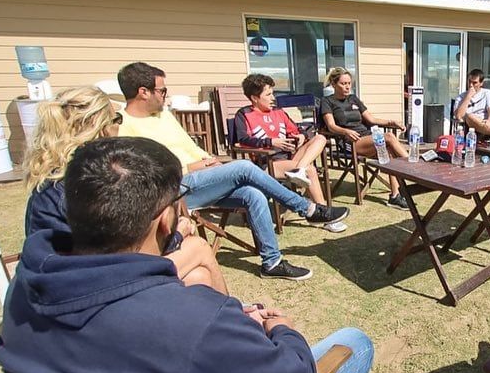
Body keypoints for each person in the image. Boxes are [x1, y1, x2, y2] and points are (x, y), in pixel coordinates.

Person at [0, 137, 374, 373]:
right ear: (165, 219)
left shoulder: (23, 291)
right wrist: (281, 329)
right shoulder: (183, 317)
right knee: (353, 345)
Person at [117, 62, 348, 281]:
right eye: (162, 90)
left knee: (253, 194)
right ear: (143, 92)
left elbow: (190, 147)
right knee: (244, 167)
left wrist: (209, 160)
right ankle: (307, 208)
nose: (165, 95)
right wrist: (195, 166)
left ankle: (272, 263)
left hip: (204, 179)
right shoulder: (122, 127)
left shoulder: (163, 115)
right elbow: (146, 175)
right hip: (176, 190)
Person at [23, 86, 227, 294]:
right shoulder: (87, 185)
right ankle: (236, 319)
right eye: (116, 119)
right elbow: (124, 251)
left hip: (64, 281)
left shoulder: (56, 183)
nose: (119, 127)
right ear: (101, 128)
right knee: (199, 248)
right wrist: (176, 235)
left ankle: (229, 317)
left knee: (198, 276)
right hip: (86, 290)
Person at [235, 73, 341, 229]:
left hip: (291, 157)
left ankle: (300, 169)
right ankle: (324, 216)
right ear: (254, 98)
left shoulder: (278, 112)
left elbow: (298, 129)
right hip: (268, 162)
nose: (273, 98)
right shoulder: (244, 114)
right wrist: (271, 141)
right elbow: (242, 140)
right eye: (268, 94)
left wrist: (301, 135)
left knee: (320, 139)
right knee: (310, 170)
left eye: (273, 93)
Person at [319, 66, 409, 209]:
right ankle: (413, 166)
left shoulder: (354, 99)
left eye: (349, 83)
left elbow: (371, 119)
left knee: (390, 151)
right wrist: (345, 131)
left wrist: (391, 122)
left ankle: (395, 196)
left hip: (366, 138)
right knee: (389, 137)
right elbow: (331, 126)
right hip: (349, 141)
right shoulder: (327, 102)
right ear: (334, 84)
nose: (347, 87)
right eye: (343, 83)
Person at [454, 68, 490, 137]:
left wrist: (489, 121)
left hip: (486, 123)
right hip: (471, 127)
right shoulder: (461, 97)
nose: (471, 85)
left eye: (474, 83)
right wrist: (468, 97)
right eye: (469, 82)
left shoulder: (487, 93)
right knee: (469, 116)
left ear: (481, 83)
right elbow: (459, 116)